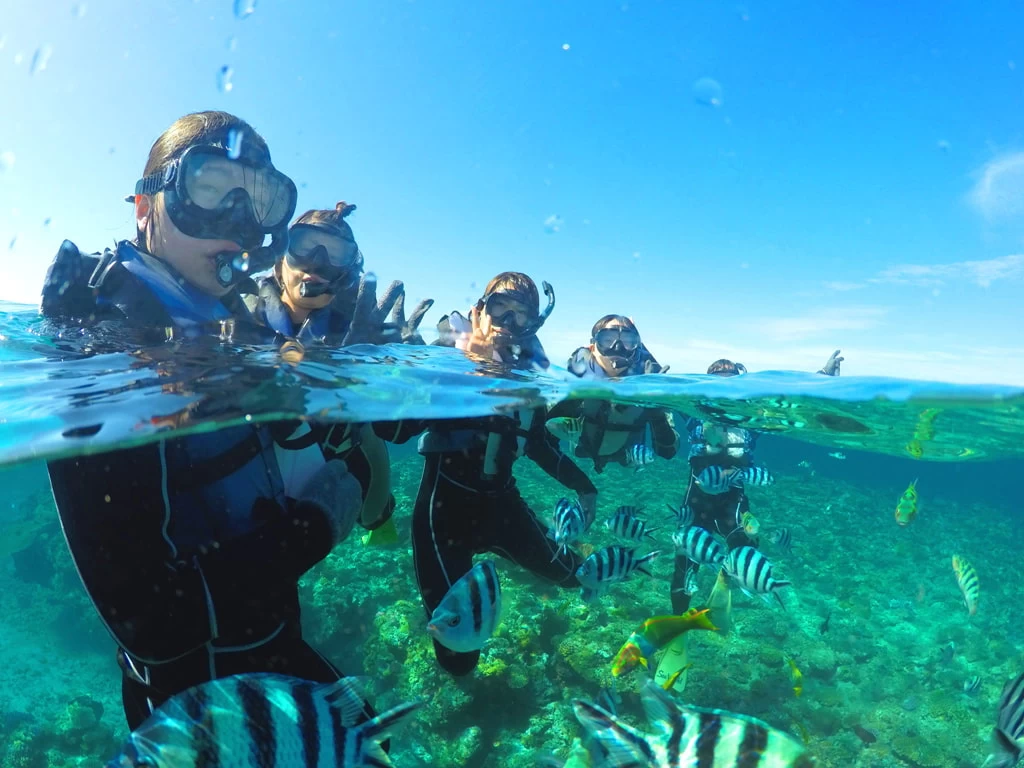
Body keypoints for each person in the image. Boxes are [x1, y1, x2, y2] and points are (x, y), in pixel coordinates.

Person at [39, 111, 375, 731]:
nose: (240, 224)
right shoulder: (100, 343)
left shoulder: (232, 328)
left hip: (271, 648)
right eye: (210, 187)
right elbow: (152, 623)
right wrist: (318, 522)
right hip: (192, 710)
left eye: (262, 201)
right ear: (146, 206)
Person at [410, 272, 598, 675]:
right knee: (458, 658)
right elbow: (395, 427)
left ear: (532, 325)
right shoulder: (447, 353)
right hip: (443, 512)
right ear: (481, 308)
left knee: (576, 577)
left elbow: (540, 446)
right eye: (501, 309)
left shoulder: (530, 375)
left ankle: (525, 560)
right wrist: (462, 370)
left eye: (521, 316)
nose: (508, 324)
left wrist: (586, 487)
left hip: (502, 505)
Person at [246, 201, 435, 541]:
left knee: (374, 515)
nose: (317, 263)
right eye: (304, 245)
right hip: (254, 482)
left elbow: (400, 430)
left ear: (347, 273)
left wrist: (408, 370)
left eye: (336, 254)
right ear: (279, 261)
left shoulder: (356, 331)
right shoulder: (242, 316)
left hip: (338, 460)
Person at [669, 358, 761, 614]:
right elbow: (668, 398)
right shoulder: (695, 412)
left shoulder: (747, 416)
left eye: (730, 379)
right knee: (685, 557)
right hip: (698, 496)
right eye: (716, 379)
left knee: (746, 546)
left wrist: (823, 375)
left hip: (732, 496)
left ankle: (727, 578)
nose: (723, 385)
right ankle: (679, 615)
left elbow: (787, 408)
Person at [549, 314, 679, 472]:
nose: (617, 348)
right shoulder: (580, 373)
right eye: (607, 340)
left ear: (636, 349)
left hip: (626, 456)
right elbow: (547, 424)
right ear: (593, 346)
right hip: (582, 448)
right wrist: (579, 389)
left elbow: (668, 451)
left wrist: (654, 407)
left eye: (628, 342)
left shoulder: (646, 383)